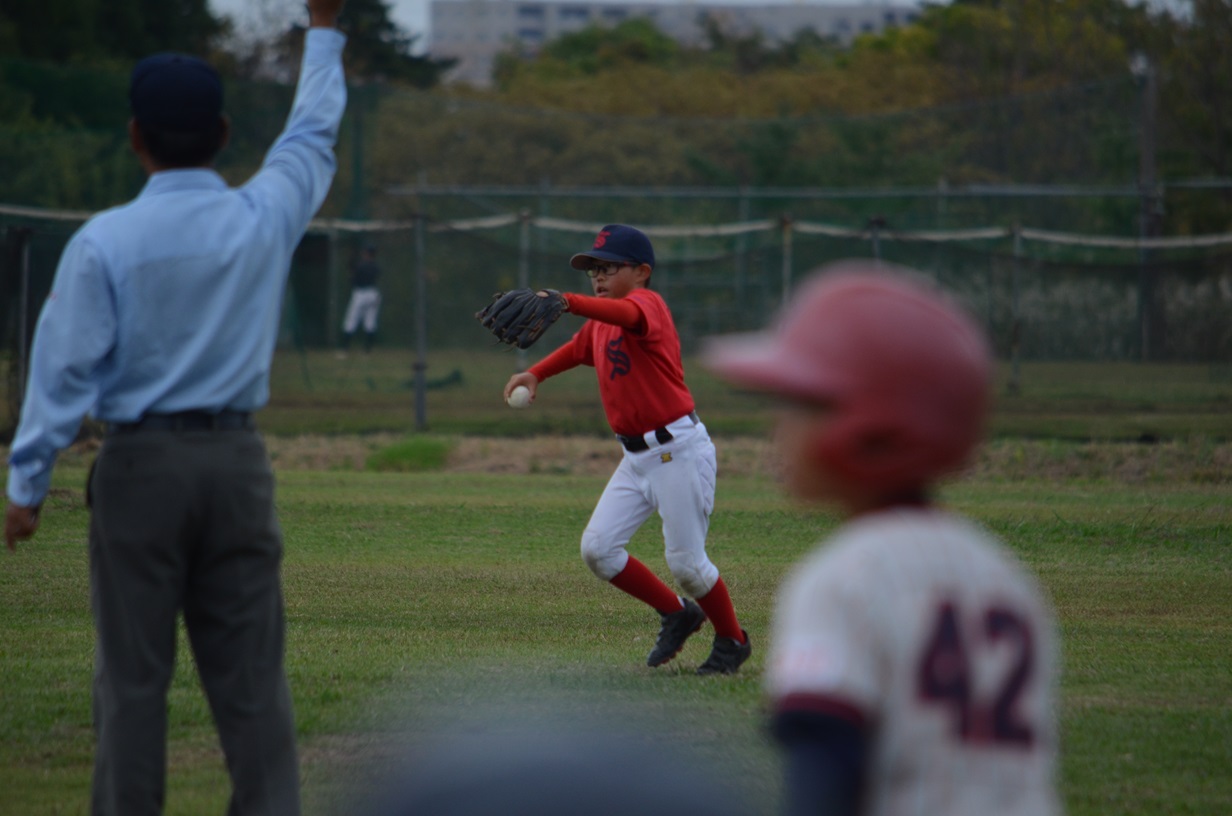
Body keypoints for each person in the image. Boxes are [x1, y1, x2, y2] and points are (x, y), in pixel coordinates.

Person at [4, 2, 348, 813]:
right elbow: (311, 137)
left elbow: (61, 372)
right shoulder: (262, 216)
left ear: (135, 136)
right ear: (225, 133)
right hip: (236, 465)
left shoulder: (104, 241)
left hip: (137, 467)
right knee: (254, 685)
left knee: (131, 683)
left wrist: (26, 485)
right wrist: (324, 28)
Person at [701, 262, 1061, 815]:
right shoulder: (1004, 574)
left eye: (803, 404)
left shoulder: (846, 576)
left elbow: (826, 774)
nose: (778, 426)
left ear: (868, 432)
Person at [502, 224, 751, 675]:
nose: (597, 275)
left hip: (678, 450)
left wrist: (568, 301)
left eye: (609, 267)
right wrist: (535, 373)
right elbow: (580, 349)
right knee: (598, 550)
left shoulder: (647, 306)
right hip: (635, 458)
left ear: (641, 272)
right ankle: (678, 614)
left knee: (689, 568)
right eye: (594, 268)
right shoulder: (603, 320)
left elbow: (630, 318)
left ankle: (732, 641)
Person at [338, 243, 381, 356]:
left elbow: (353, 279)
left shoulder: (360, 265)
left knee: (351, 320)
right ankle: (367, 350)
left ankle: (345, 349)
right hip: (373, 293)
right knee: (370, 321)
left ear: (366, 253)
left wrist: (351, 271)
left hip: (360, 293)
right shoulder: (375, 266)